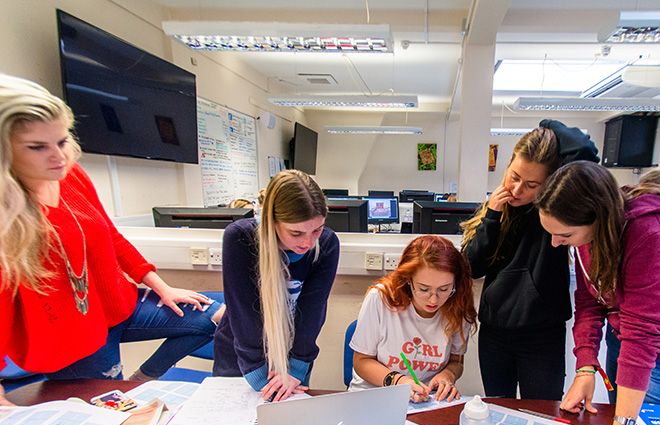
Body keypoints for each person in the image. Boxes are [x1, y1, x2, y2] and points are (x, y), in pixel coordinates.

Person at [0, 74, 222, 406]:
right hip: (71, 339)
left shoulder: (71, 174)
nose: (58, 156)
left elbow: (111, 237)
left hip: (120, 305)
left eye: (61, 141)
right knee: (106, 417)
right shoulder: (7, 213)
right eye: (37, 147)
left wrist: (162, 287)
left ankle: (142, 379)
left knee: (216, 316)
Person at [536, 162, 660, 425]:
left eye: (564, 235)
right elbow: (591, 301)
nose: (555, 243)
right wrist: (586, 366)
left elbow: (642, 334)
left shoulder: (647, 233)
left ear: (596, 218)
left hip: (650, 348)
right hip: (627, 342)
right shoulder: (588, 238)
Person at [461, 120, 599, 400]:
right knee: (500, 410)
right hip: (495, 333)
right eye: (514, 177)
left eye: (532, 184)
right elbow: (471, 268)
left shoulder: (553, 212)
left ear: (548, 183)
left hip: (541, 335)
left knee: (543, 412)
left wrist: (547, 126)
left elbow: (584, 151)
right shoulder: (496, 210)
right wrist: (492, 217)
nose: (518, 189)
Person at [213, 170, 340, 402]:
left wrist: (296, 370)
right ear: (272, 221)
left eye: (317, 230)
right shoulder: (240, 238)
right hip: (242, 358)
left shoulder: (327, 244)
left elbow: (313, 311)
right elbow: (243, 312)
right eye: (296, 232)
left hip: (293, 360)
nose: (308, 242)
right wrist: (259, 375)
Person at [349, 235, 476, 402]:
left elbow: (456, 360)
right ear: (408, 280)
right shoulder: (381, 298)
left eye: (444, 289)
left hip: (425, 400)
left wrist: (448, 374)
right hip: (374, 394)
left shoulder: (458, 306)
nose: (433, 300)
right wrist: (398, 381)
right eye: (424, 289)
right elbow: (362, 361)